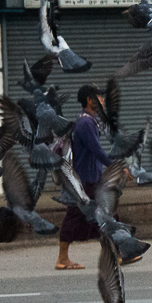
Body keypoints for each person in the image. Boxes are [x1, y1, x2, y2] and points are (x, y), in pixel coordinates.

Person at [55, 83, 112, 270]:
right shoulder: (86, 123)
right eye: (99, 97)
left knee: (106, 214)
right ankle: (62, 258)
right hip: (85, 180)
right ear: (90, 100)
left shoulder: (88, 120)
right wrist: (116, 166)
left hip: (91, 178)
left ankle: (118, 253)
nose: (102, 100)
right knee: (74, 216)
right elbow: (96, 150)